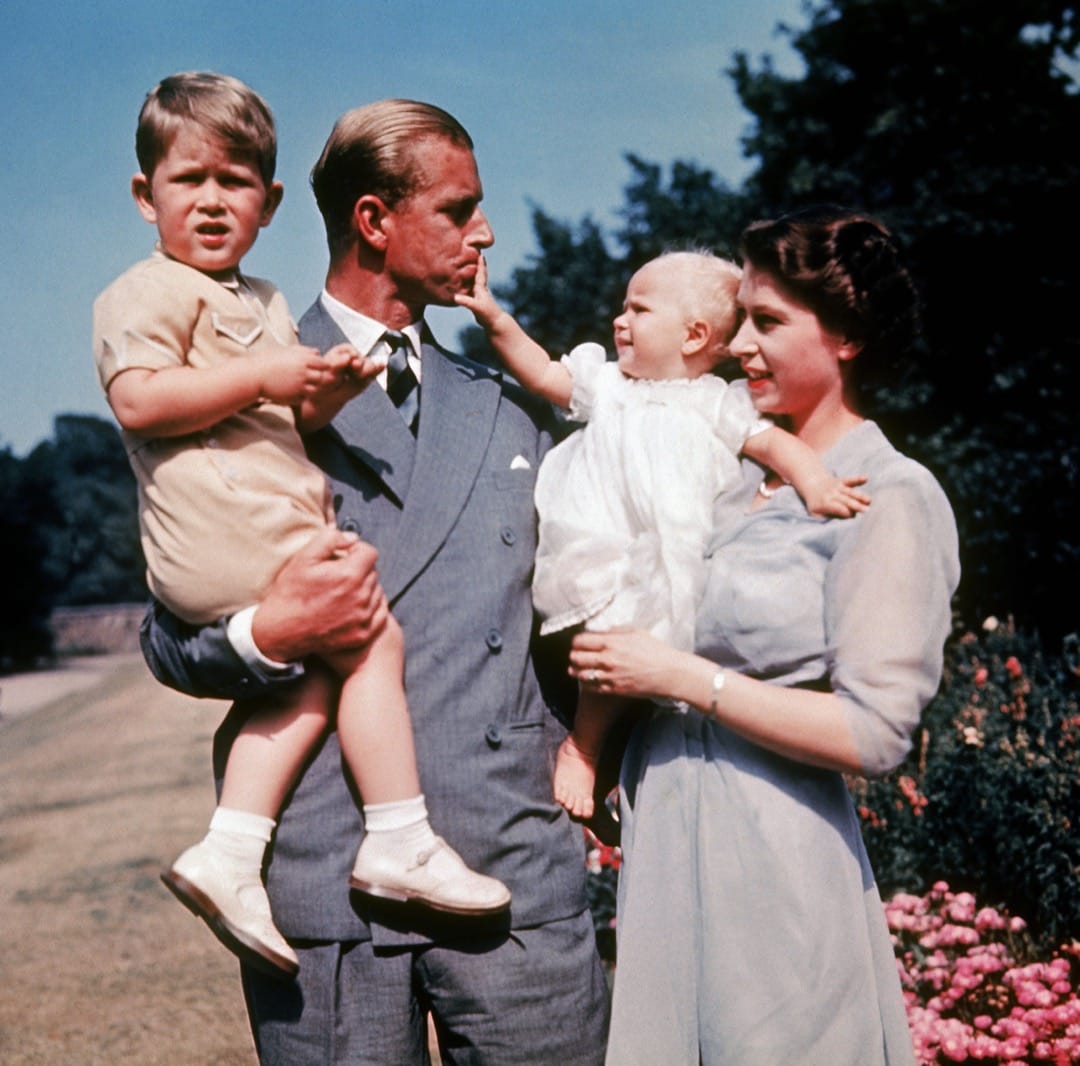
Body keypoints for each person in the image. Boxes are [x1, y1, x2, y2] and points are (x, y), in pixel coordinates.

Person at [139, 96, 611, 1063]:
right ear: (374, 219)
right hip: (325, 884)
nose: (484, 233)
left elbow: (584, 614)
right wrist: (266, 633)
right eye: (458, 209)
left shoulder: (510, 410)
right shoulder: (235, 381)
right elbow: (167, 630)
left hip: (511, 873)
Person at [93, 73, 511, 981]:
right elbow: (138, 400)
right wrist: (262, 634)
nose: (212, 203)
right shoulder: (153, 295)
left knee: (337, 664)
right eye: (188, 181)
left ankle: (231, 851)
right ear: (144, 196)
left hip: (510, 851)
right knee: (364, 637)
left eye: (235, 184)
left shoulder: (272, 310)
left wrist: (317, 396)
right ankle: (394, 835)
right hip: (228, 551)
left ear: (270, 202)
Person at [567, 206, 960, 1064]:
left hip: (776, 868)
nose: (739, 344)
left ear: (848, 336)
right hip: (668, 846)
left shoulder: (891, 496)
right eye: (740, 316)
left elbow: (875, 732)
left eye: (769, 321)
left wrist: (680, 677)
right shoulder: (728, 479)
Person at [456, 250, 870, 819]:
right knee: (611, 638)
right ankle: (584, 744)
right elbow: (545, 373)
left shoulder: (716, 402)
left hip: (680, 550)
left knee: (665, 658)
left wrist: (816, 482)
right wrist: (494, 318)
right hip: (606, 543)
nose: (618, 321)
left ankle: (629, 764)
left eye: (639, 310)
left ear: (694, 335)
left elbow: (775, 445)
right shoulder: (609, 385)